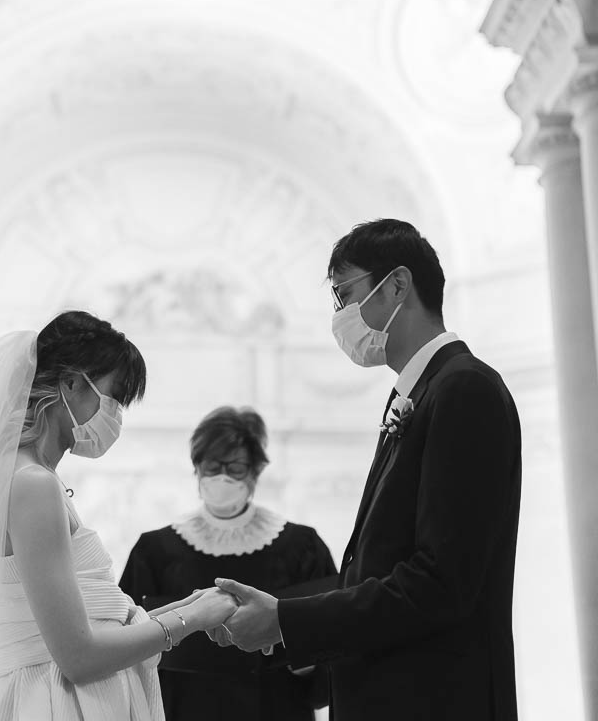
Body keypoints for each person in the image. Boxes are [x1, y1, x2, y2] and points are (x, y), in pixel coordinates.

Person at [210, 219, 522, 721]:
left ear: (397, 284)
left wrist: (287, 621)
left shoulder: (465, 390)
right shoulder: (417, 393)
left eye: (344, 295)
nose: (340, 316)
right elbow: (379, 565)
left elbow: (440, 582)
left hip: (435, 701)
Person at [0, 311, 235, 721]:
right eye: (114, 397)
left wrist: (192, 605)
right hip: (58, 702)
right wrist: (190, 618)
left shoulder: (29, 476)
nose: (117, 414)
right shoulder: (32, 483)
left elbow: (89, 622)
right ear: (70, 383)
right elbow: (78, 656)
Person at [119, 405, 337, 720]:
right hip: (184, 708)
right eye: (212, 466)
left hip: (277, 709)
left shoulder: (302, 546)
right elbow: (127, 644)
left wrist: (306, 659)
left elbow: (335, 643)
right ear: (196, 469)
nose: (223, 477)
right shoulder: (154, 551)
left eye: (235, 467)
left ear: (255, 472)